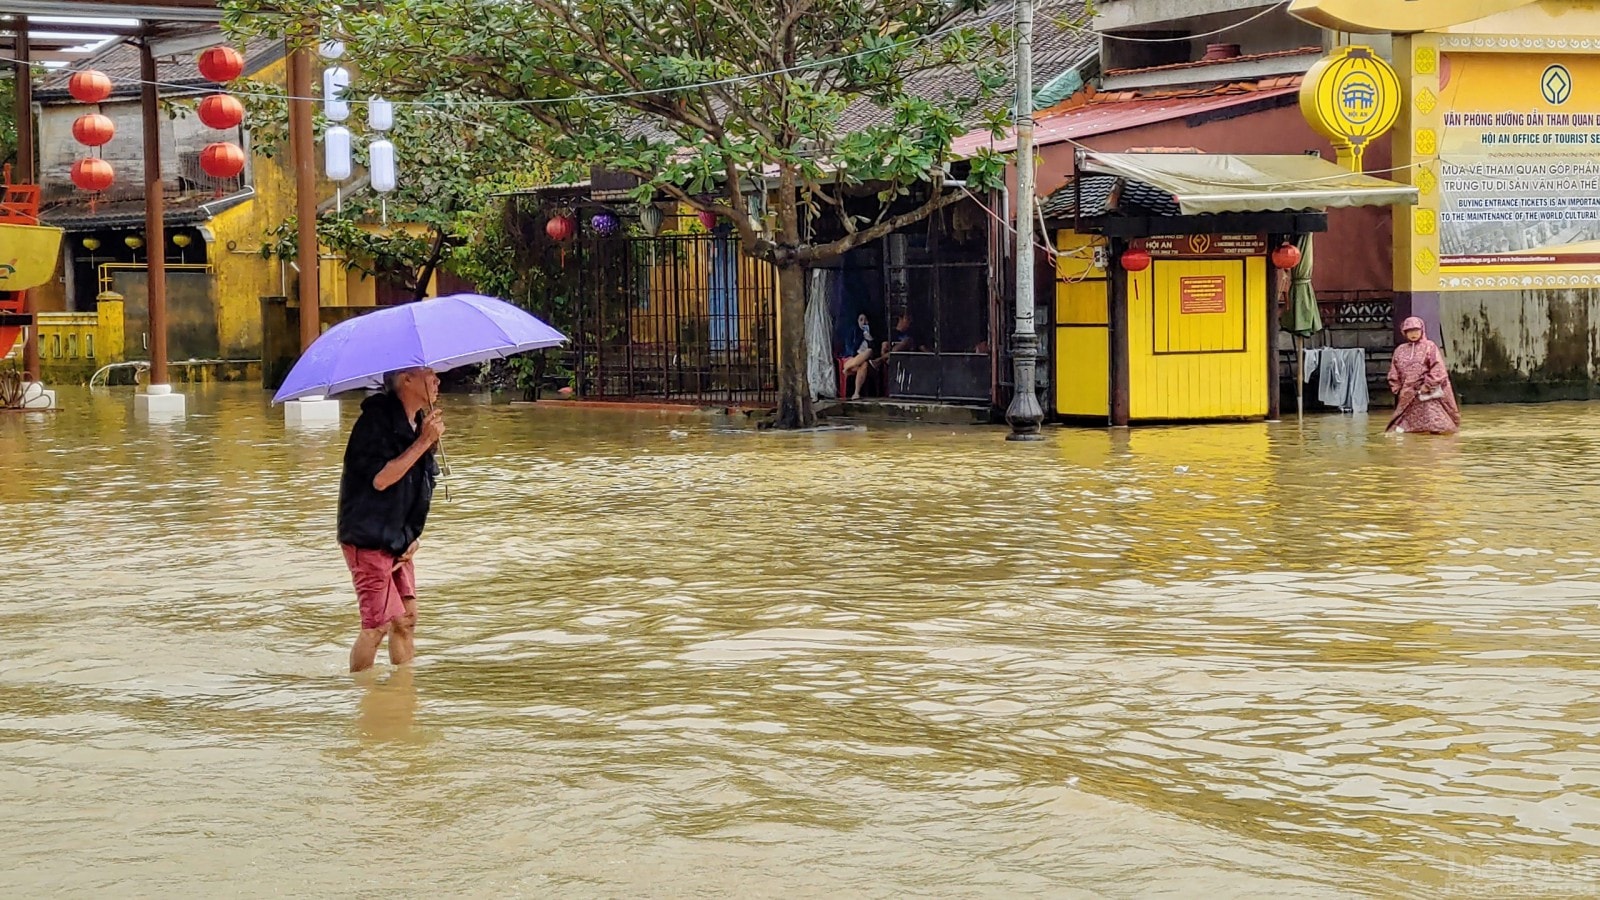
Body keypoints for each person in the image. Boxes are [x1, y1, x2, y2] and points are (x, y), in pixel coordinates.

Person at [338, 366, 445, 672]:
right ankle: (363, 697)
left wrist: (413, 535)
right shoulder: (373, 424)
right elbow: (382, 480)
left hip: (398, 536)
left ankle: (403, 696)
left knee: (407, 619)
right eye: (429, 374)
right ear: (406, 380)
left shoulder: (418, 424)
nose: (438, 381)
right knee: (377, 626)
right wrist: (423, 442)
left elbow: (420, 486)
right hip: (368, 537)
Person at [1386, 317, 1461, 435]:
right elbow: (1394, 371)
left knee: (1436, 426)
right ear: (1404, 333)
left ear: (1422, 330)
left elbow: (1438, 368)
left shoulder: (1430, 346)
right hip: (1408, 394)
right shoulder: (1400, 350)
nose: (1413, 334)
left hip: (1427, 392)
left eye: (1416, 330)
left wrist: (1428, 385)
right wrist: (1397, 388)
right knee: (1403, 429)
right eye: (1409, 331)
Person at [840, 312, 876, 400]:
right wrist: (861, 337)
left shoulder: (870, 334)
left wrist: (869, 339)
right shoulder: (853, 332)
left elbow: (874, 352)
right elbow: (850, 350)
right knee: (863, 361)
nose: (863, 322)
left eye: (865, 320)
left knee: (865, 361)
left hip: (862, 362)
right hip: (851, 359)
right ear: (857, 321)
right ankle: (847, 367)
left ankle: (856, 393)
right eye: (861, 320)